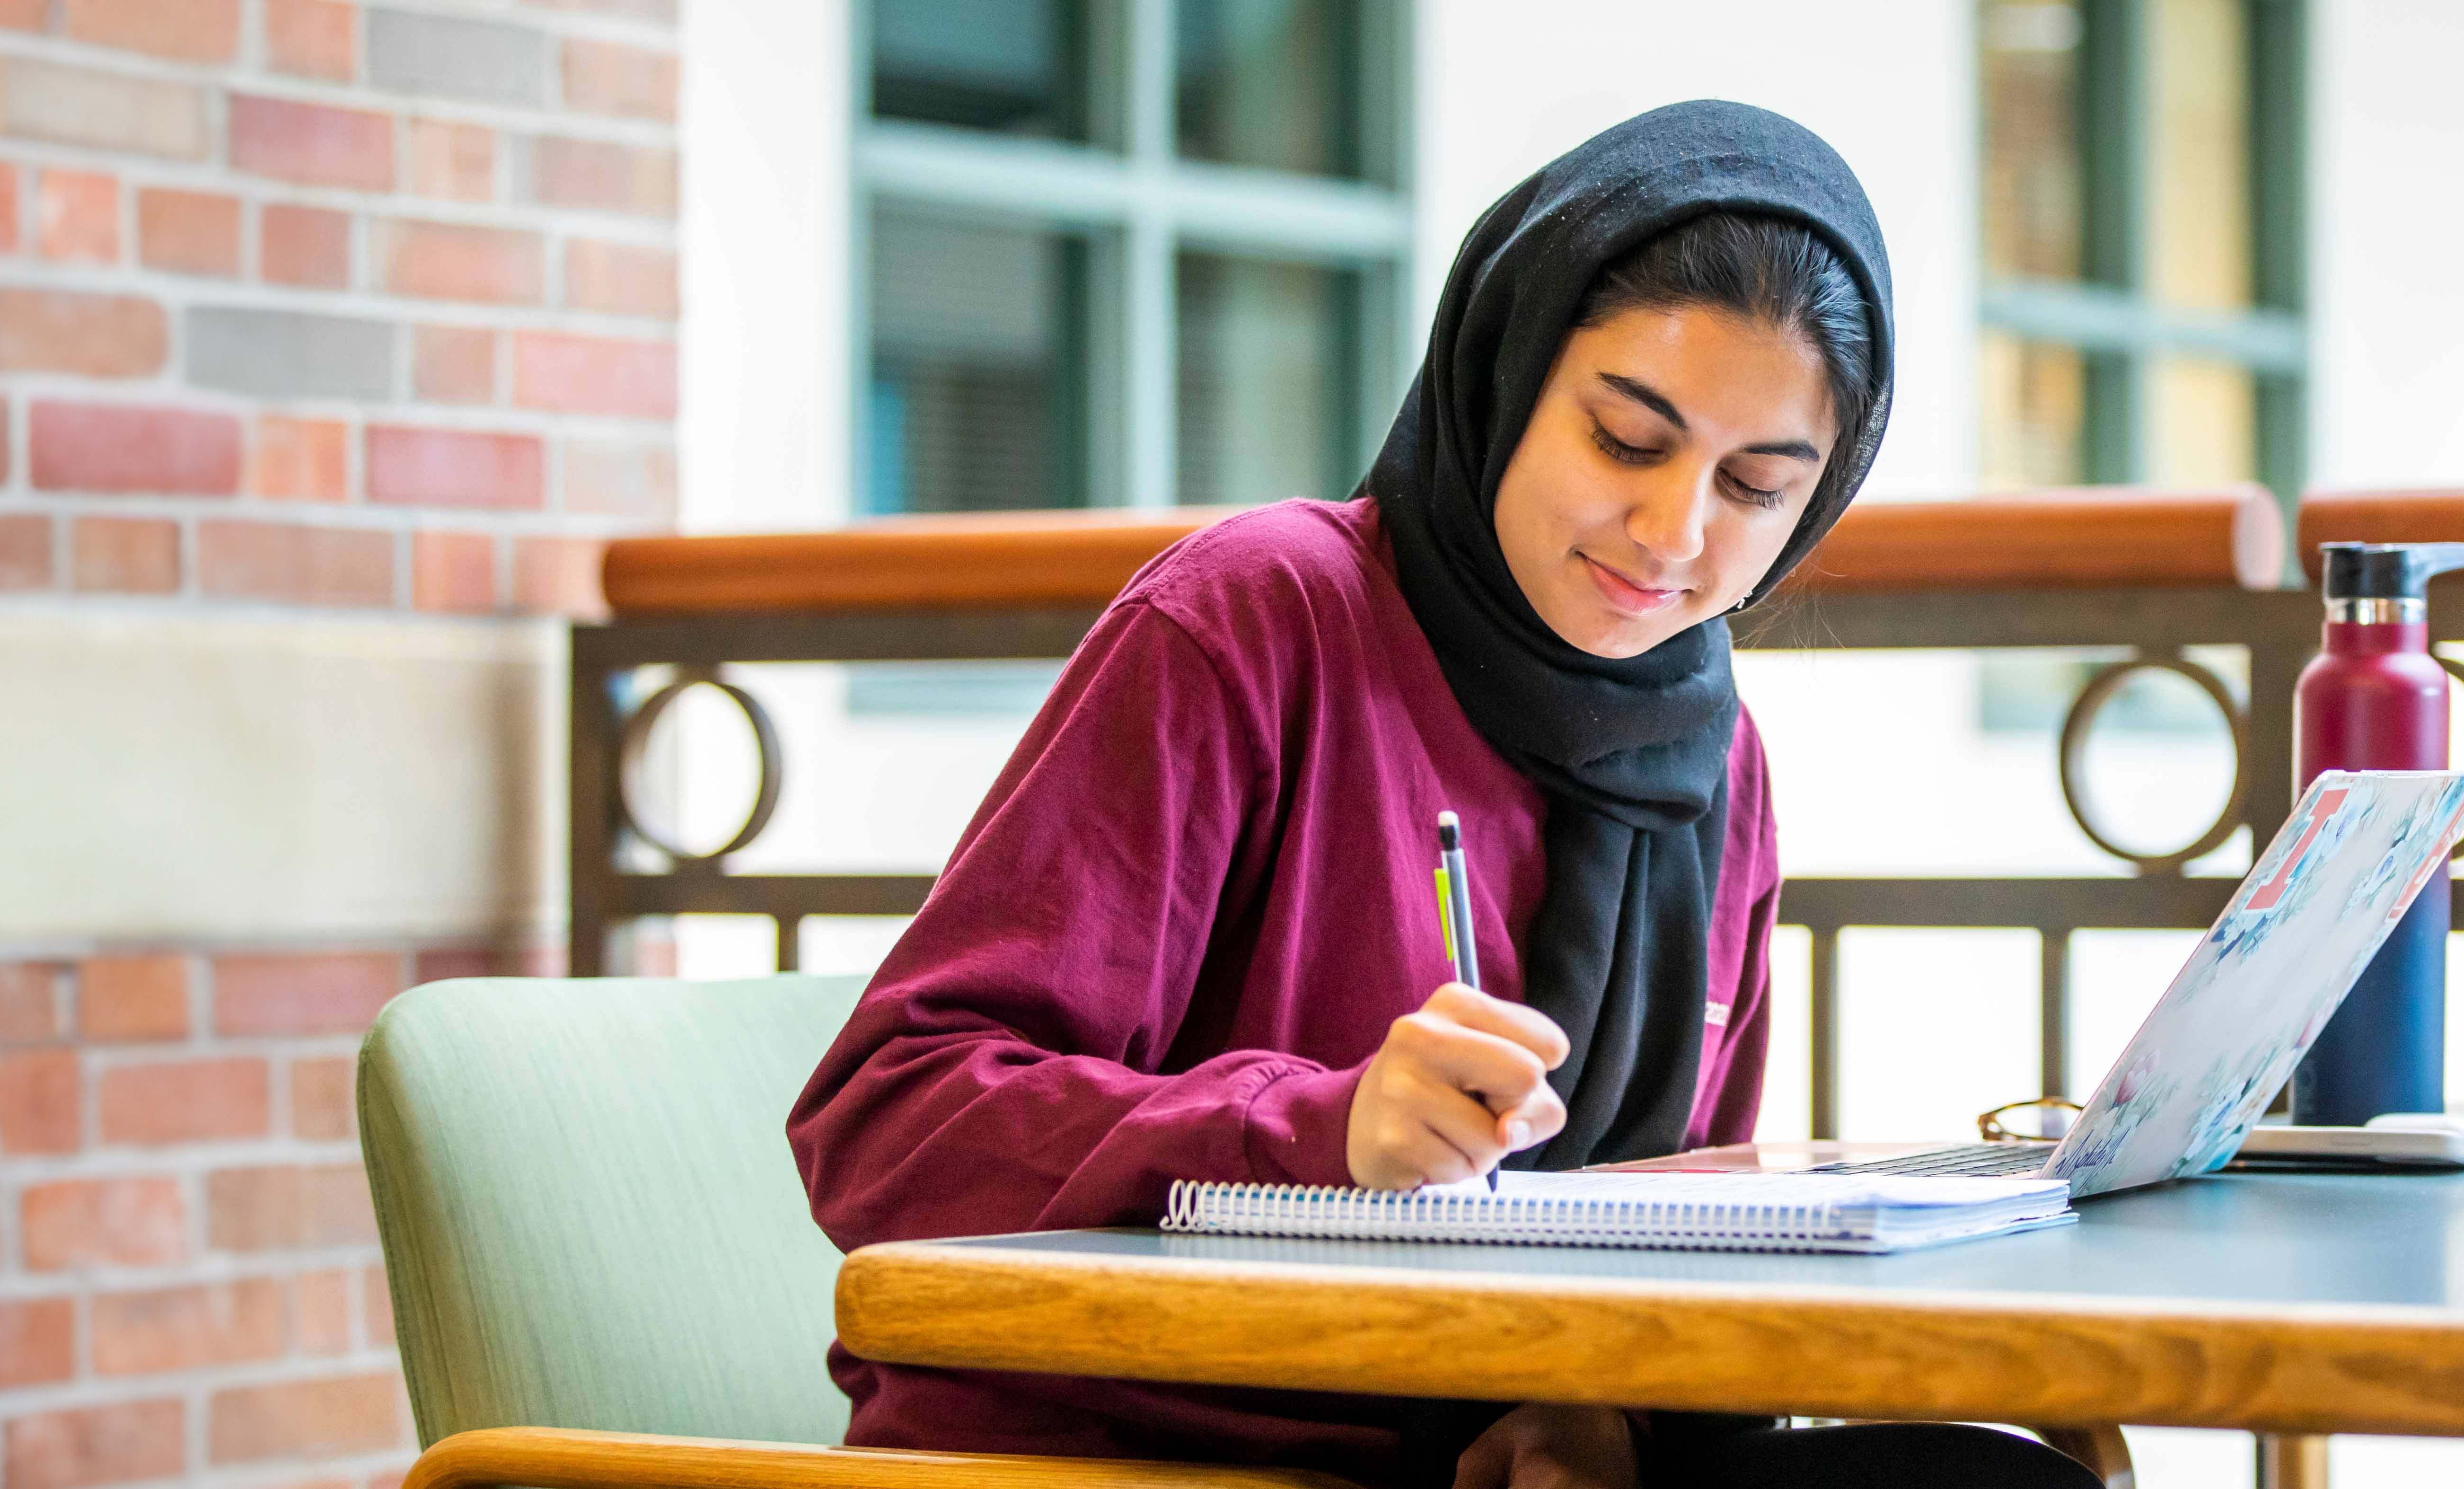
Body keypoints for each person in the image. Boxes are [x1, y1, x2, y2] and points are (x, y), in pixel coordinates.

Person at [786, 101, 2104, 1489]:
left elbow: (1683, 1230)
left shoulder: (1715, 764)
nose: (1676, 536)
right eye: (1626, 439)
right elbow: (888, 1119)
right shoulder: (1256, 619)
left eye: (1759, 486)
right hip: (1147, 1452)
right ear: (1507, 369)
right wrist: (1320, 1130)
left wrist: (1603, 1414)